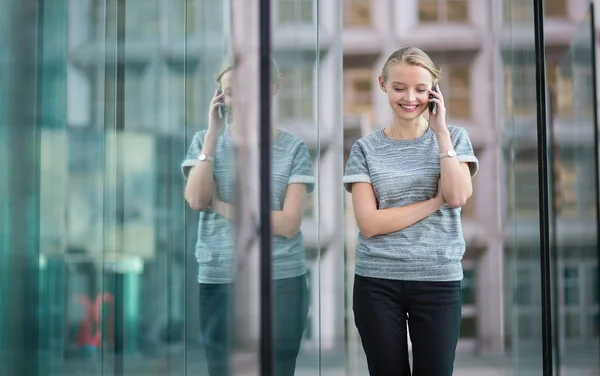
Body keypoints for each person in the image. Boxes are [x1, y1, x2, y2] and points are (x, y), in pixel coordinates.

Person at [343, 46, 479, 376]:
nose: (410, 98)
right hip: (377, 283)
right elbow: (370, 223)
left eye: (420, 89)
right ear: (382, 85)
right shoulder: (365, 149)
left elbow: (458, 195)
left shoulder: (454, 138)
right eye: (399, 87)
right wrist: (434, 203)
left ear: (434, 90)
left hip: (438, 280)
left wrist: (441, 131)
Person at [181, 59, 314, 376]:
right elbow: (198, 200)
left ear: (274, 86)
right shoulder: (204, 142)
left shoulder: (294, 149)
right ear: (220, 97)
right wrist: (213, 137)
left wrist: (222, 206)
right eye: (230, 92)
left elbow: (286, 225)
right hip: (220, 279)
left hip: (281, 279)